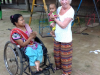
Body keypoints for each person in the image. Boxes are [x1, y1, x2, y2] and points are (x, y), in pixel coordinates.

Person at [50, 0, 74, 75]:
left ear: (69, 1)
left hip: (65, 38)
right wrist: (52, 29)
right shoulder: (59, 8)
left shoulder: (71, 11)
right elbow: (53, 19)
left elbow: (63, 25)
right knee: (57, 54)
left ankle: (66, 72)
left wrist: (54, 19)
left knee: (65, 56)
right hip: (57, 36)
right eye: (62, 0)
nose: (64, 2)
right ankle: (58, 66)